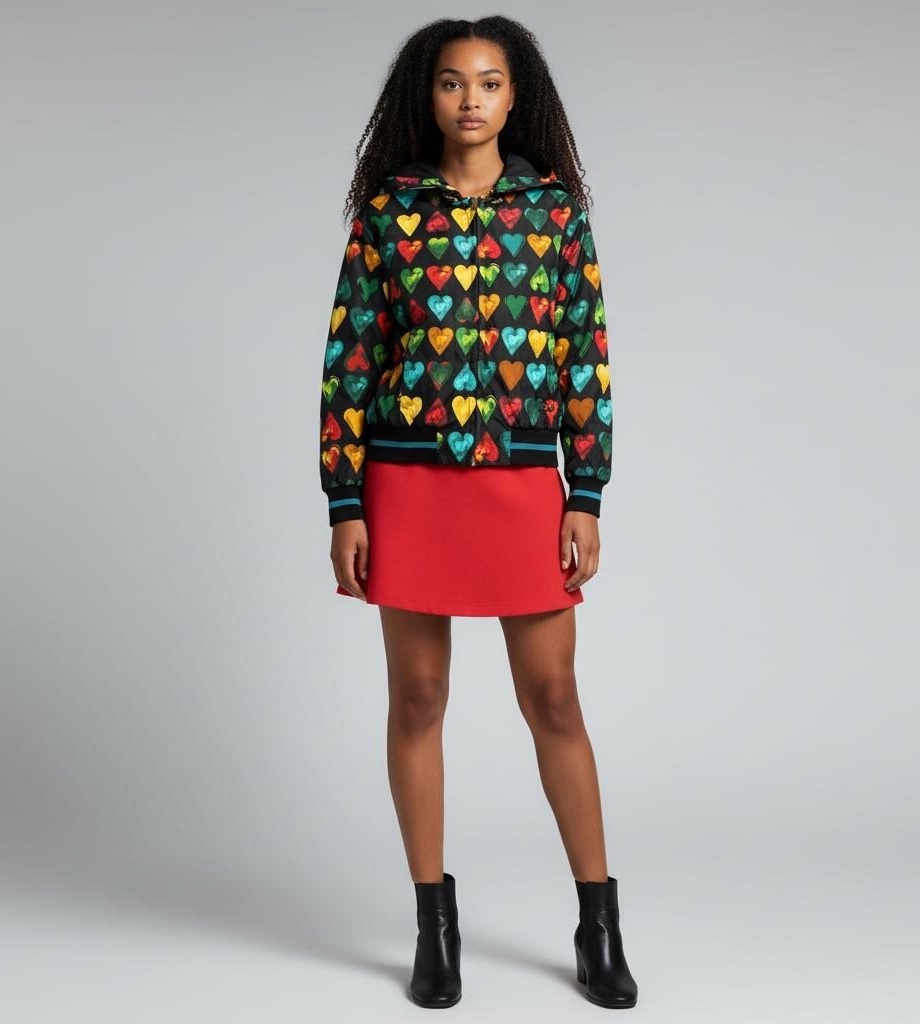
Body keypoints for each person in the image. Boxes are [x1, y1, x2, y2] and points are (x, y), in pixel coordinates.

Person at [317, 15, 637, 1010]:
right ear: (428, 95)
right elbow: (351, 358)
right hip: (407, 485)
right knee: (417, 698)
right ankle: (433, 925)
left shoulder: (555, 214)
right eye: (452, 81)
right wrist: (344, 500)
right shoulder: (389, 213)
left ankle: (598, 922)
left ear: (514, 96)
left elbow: (584, 354)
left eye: (489, 82)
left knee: (554, 698)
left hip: (521, 486)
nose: (470, 99)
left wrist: (585, 492)